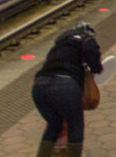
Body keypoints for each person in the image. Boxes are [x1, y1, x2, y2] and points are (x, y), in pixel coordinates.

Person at [31, 21, 104, 157]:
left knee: (54, 125)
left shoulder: (60, 42)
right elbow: (96, 67)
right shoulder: (88, 40)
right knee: (75, 126)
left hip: (39, 86)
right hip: (65, 86)